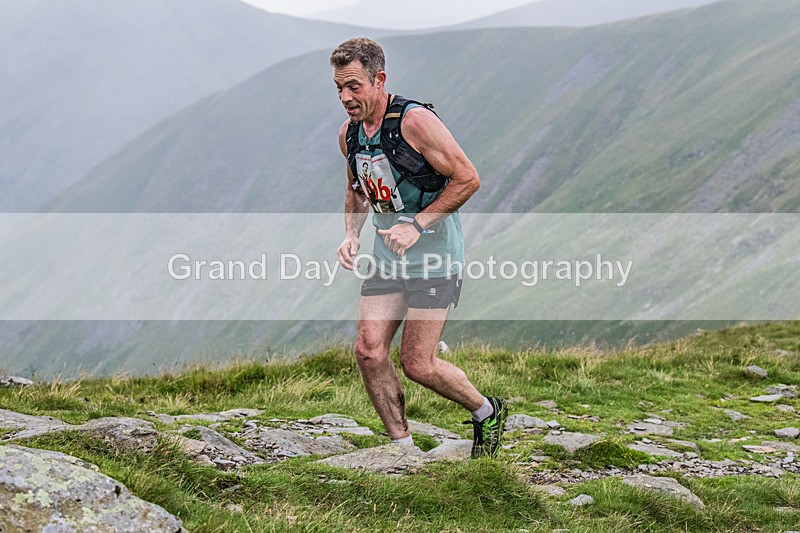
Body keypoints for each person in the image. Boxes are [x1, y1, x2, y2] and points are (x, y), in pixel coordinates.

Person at [330, 38, 507, 458]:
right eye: (339, 88)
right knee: (369, 351)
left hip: (435, 257)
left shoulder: (415, 122)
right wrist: (352, 235)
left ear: (380, 79)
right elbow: (356, 189)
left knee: (418, 363)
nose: (345, 98)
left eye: (354, 86)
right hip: (387, 259)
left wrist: (418, 224)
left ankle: (486, 410)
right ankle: (402, 450)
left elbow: (468, 178)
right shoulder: (349, 134)